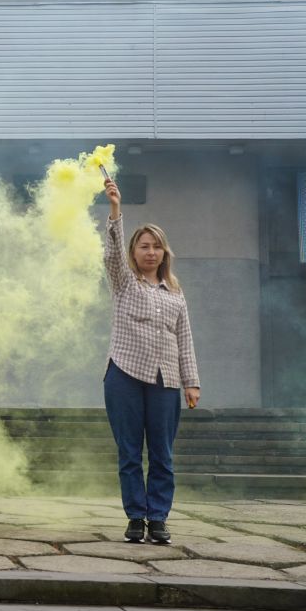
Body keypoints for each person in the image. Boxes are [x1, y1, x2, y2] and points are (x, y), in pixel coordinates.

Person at [102, 178, 200, 545]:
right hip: (124, 374)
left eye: (157, 246)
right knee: (130, 453)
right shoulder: (124, 283)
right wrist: (115, 209)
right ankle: (135, 517)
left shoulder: (175, 293)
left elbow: (185, 339)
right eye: (144, 246)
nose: (151, 252)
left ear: (164, 252)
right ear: (134, 251)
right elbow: (112, 254)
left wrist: (191, 382)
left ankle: (158, 518)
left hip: (166, 381)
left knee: (162, 454)